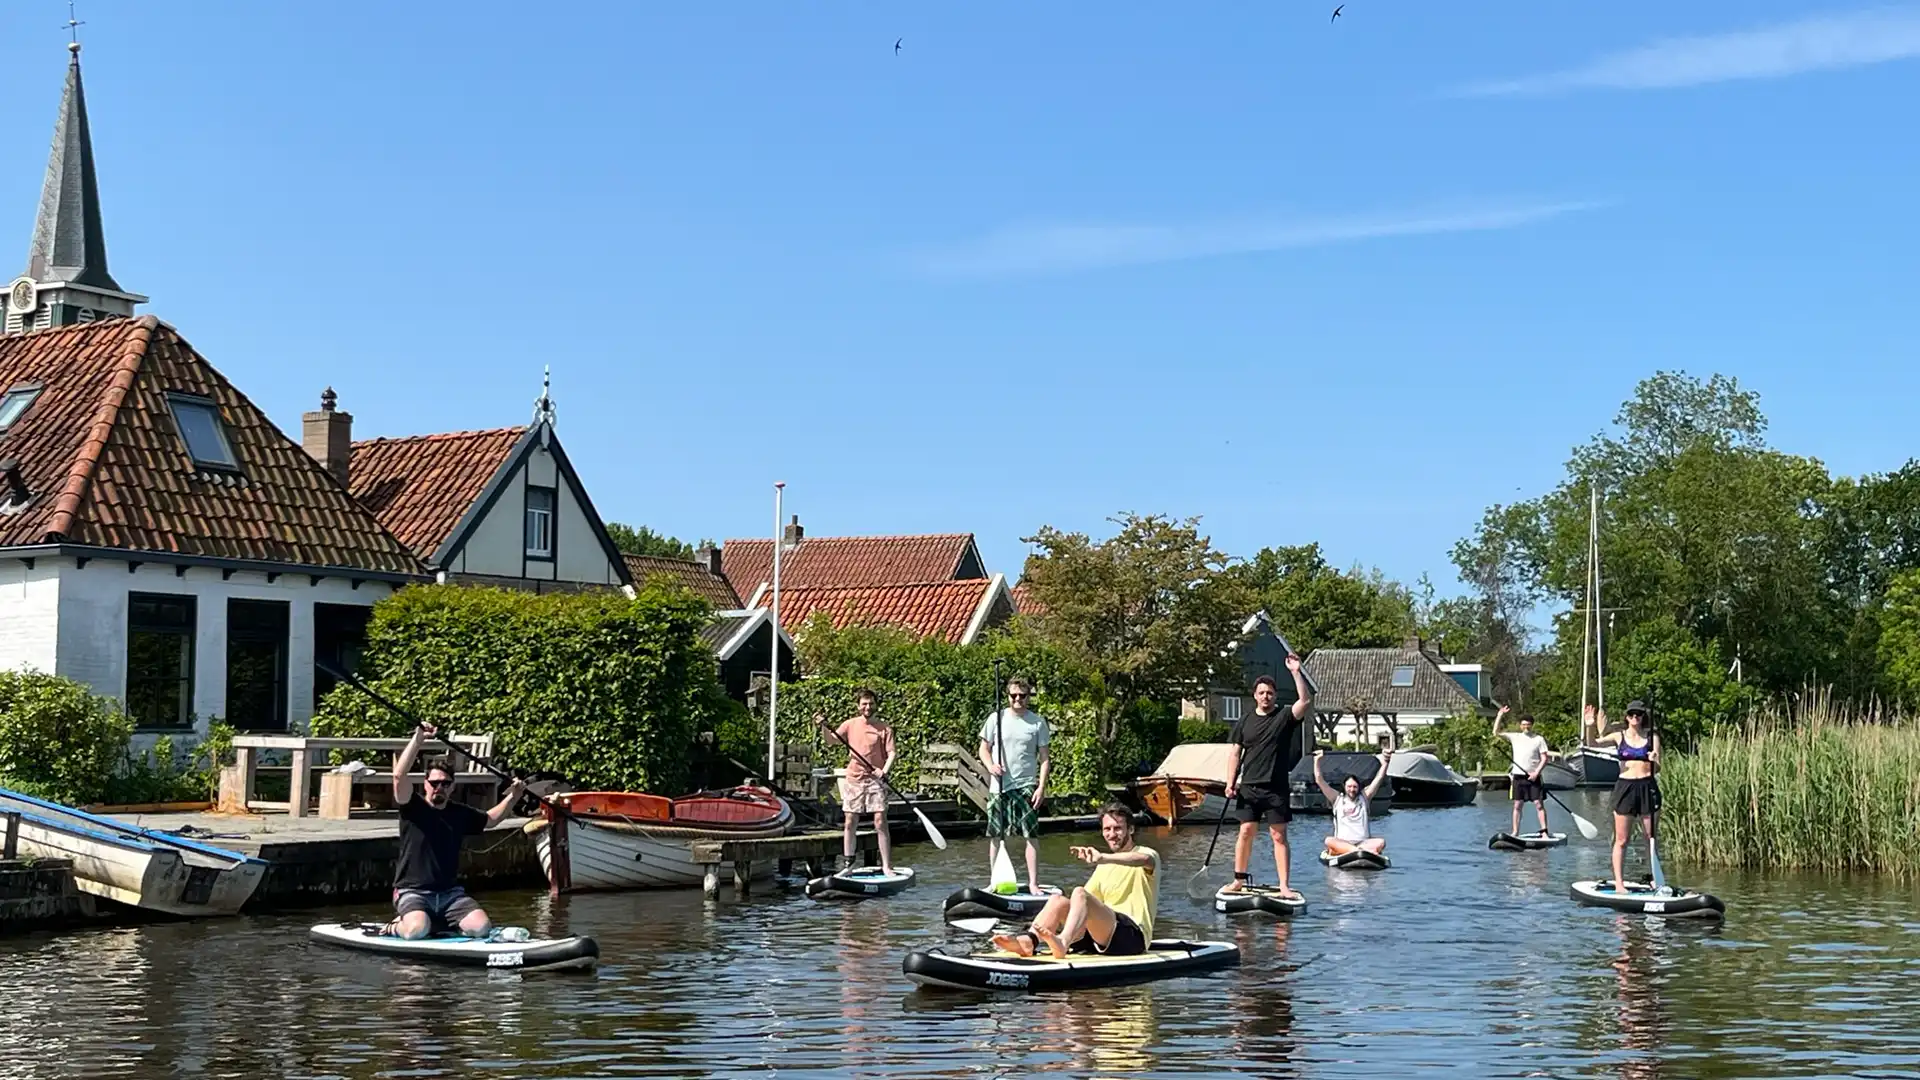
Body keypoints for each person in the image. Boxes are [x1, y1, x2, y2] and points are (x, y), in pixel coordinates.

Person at [387, 723, 527, 940]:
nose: (439, 788)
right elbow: (398, 776)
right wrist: (418, 739)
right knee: (416, 931)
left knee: (481, 929)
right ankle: (396, 926)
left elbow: (490, 820)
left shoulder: (459, 813)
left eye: (445, 784)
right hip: (412, 891)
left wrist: (514, 796)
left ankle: (439, 922)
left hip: (448, 894)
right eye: (434, 783)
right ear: (425, 784)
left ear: (452, 787)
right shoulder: (412, 806)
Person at [992, 803, 1157, 959]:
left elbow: (1144, 860)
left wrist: (1103, 857)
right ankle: (1029, 941)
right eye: (1107, 829)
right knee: (1058, 900)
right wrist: (1048, 920)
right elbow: (1080, 906)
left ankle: (1063, 942)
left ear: (1132, 829)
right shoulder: (1103, 867)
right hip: (1102, 936)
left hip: (1132, 938)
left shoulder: (1146, 853)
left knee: (1080, 892)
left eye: (1118, 829)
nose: (1112, 834)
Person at [1222, 655, 1314, 898]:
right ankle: (1238, 880)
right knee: (1245, 832)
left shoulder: (1284, 717)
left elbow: (1304, 700)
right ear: (1255, 695)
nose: (1266, 697)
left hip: (1276, 788)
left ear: (1275, 696)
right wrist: (1230, 783)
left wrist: (1296, 671)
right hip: (1249, 786)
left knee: (1278, 835)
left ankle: (1284, 885)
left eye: (1270, 693)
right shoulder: (1245, 721)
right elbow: (1235, 753)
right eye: (1262, 693)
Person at [979, 676, 1051, 894]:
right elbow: (984, 748)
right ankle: (994, 881)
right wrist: (991, 765)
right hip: (999, 786)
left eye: (1022, 695)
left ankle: (1033, 883)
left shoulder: (1037, 722)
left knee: (1030, 835)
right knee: (995, 835)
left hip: (1026, 785)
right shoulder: (996, 719)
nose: (1017, 699)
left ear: (1029, 696)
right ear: (1008, 696)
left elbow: (1045, 758)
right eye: (1013, 696)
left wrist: (1041, 787)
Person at [817, 689, 896, 874]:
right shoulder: (850, 724)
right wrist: (823, 726)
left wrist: (883, 771)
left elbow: (892, 753)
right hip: (854, 778)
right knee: (850, 820)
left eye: (871, 704)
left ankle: (886, 865)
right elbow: (831, 740)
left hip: (876, 780)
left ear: (876, 705)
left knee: (879, 821)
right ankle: (849, 865)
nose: (868, 707)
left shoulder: (885, 728)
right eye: (864, 704)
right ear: (858, 706)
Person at [1587, 700, 1662, 890]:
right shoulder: (1618, 736)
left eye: (1638, 714)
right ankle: (1619, 883)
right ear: (1626, 717)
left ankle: (1655, 878)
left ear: (1643, 716)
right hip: (1625, 788)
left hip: (1647, 786)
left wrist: (1654, 760)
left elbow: (1658, 768)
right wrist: (1590, 727)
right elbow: (1593, 743)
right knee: (1622, 839)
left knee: (1650, 838)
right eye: (1631, 714)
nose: (1635, 717)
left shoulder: (1652, 736)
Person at [1311, 749, 1389, 857]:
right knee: (1328, 841)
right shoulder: (1337, 799)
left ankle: (1356, 850)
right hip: (1343, 843)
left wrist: (1386, 762)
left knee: (1381, 842)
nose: (1352, 790)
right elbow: (1319, 780)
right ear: (1344, 787)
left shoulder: (1364, 797)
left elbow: (1379, 778)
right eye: (1349, 787)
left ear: (1358, 787)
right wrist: (1317, 761)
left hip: (1363, 843)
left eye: (1354, 787)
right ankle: (1357, 851)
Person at [1492, 704, 1555, 836]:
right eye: (1523, 724)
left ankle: (1544, 831)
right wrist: (1500, 715)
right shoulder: (1515, 737)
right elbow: (1495, 732)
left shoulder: (1538, 739)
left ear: (1532, 725)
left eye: (1528, 724)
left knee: (1538, 804)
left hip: (1533, 777)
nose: (1526, 727)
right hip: (1518, 777)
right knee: (1517, 805)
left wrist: (1536, 773)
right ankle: (1515, 832)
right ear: (1520, 726)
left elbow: (1544, 758)